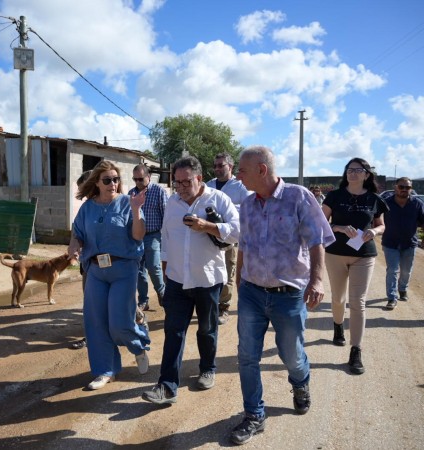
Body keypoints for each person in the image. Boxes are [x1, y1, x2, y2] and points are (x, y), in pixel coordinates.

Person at [229, 146, 334, 445]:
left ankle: (300, 383)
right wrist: (239, 281)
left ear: (262, 170)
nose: (238, 175)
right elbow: (244, 247)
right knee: (247, 357)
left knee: (291, 355)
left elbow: (317, 241)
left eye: (242, 170)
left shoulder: (299, 197)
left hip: (289, 295)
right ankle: (254, 415)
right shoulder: (247, 204)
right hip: (251, 292)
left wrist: (317, 280)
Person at [141, 156, 239, 405]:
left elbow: (239, 230)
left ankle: (208, 368)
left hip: (207, 279)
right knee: (173, 332)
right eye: (177, 183)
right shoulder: (173, 202)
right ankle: (167, 386)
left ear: (199, 178)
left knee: (207, 330)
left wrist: (207, 226)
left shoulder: (219, 199)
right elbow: (165, 237)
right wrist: (164, 271)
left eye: (186, 182)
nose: (181, 187)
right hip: (176, 279)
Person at [68, 160, 150, 390]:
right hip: (95, 269)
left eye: (116, 179)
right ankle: (105, 371)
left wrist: (135, 210)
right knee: (95, 322)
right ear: (97, 182)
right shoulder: (87, 208)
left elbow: (138, 235)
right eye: (107, 180)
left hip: (124, 269)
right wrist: (74, 246)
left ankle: (138, 345)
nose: (112, 183)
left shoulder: (127, 203)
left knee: (119, 322)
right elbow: (78, 233)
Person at [322, 158, 387, 375]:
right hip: (336, 254)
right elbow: (322, 224)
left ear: (367, 175)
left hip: (364, 255)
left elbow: (381, 224)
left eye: (358, 170)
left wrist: (375, 232)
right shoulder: (334, 196)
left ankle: (356, 350)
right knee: (339, 298)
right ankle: (338, 325)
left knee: (358, 302)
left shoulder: (374, 199)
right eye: (350, 169)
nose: (352, 173)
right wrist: (339, 227)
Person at [206, 152, 251, 324]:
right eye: (215, 165)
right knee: (210, 269)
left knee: (228, 270)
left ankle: (223, 307)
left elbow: (249, 207)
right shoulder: (209, 185)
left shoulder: (240, 187)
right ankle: (210, 304)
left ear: (230, 167)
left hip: (230, 236)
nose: (217, 169)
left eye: (221, 165)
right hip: (209, 235)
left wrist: (228, 210)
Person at [128, 164, 168, 311]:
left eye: (140, 179)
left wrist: (166, 238)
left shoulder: (158, 191)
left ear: (148, 177)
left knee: (154, 267)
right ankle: (143, 300)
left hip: (153, 235)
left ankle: (162, 293)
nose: (137, 182)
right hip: (136, 237)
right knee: (138, 270)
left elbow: (166, 215)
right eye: (135, 179)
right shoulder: (131, 193)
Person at [381, 177, 424, 310]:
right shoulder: (386, 203)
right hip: (390, 243)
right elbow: (376, 220)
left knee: (406, 271)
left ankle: (403, 289)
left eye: (408, 187)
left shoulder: (417, 203)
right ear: (395, 187)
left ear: (411, 189)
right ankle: (392, 298)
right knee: (392, 270)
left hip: (409, 243)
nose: (404, 190)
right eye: (401, 187)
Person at [70, 170, 92, 350]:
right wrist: (74, 246)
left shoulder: (117, 203)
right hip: (89, 263)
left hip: (115, 266)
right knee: (90, 302)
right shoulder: (85, 209)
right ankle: (90, 336)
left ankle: (138, 318)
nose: (82, 195)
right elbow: (76, 230)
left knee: (122, 305)